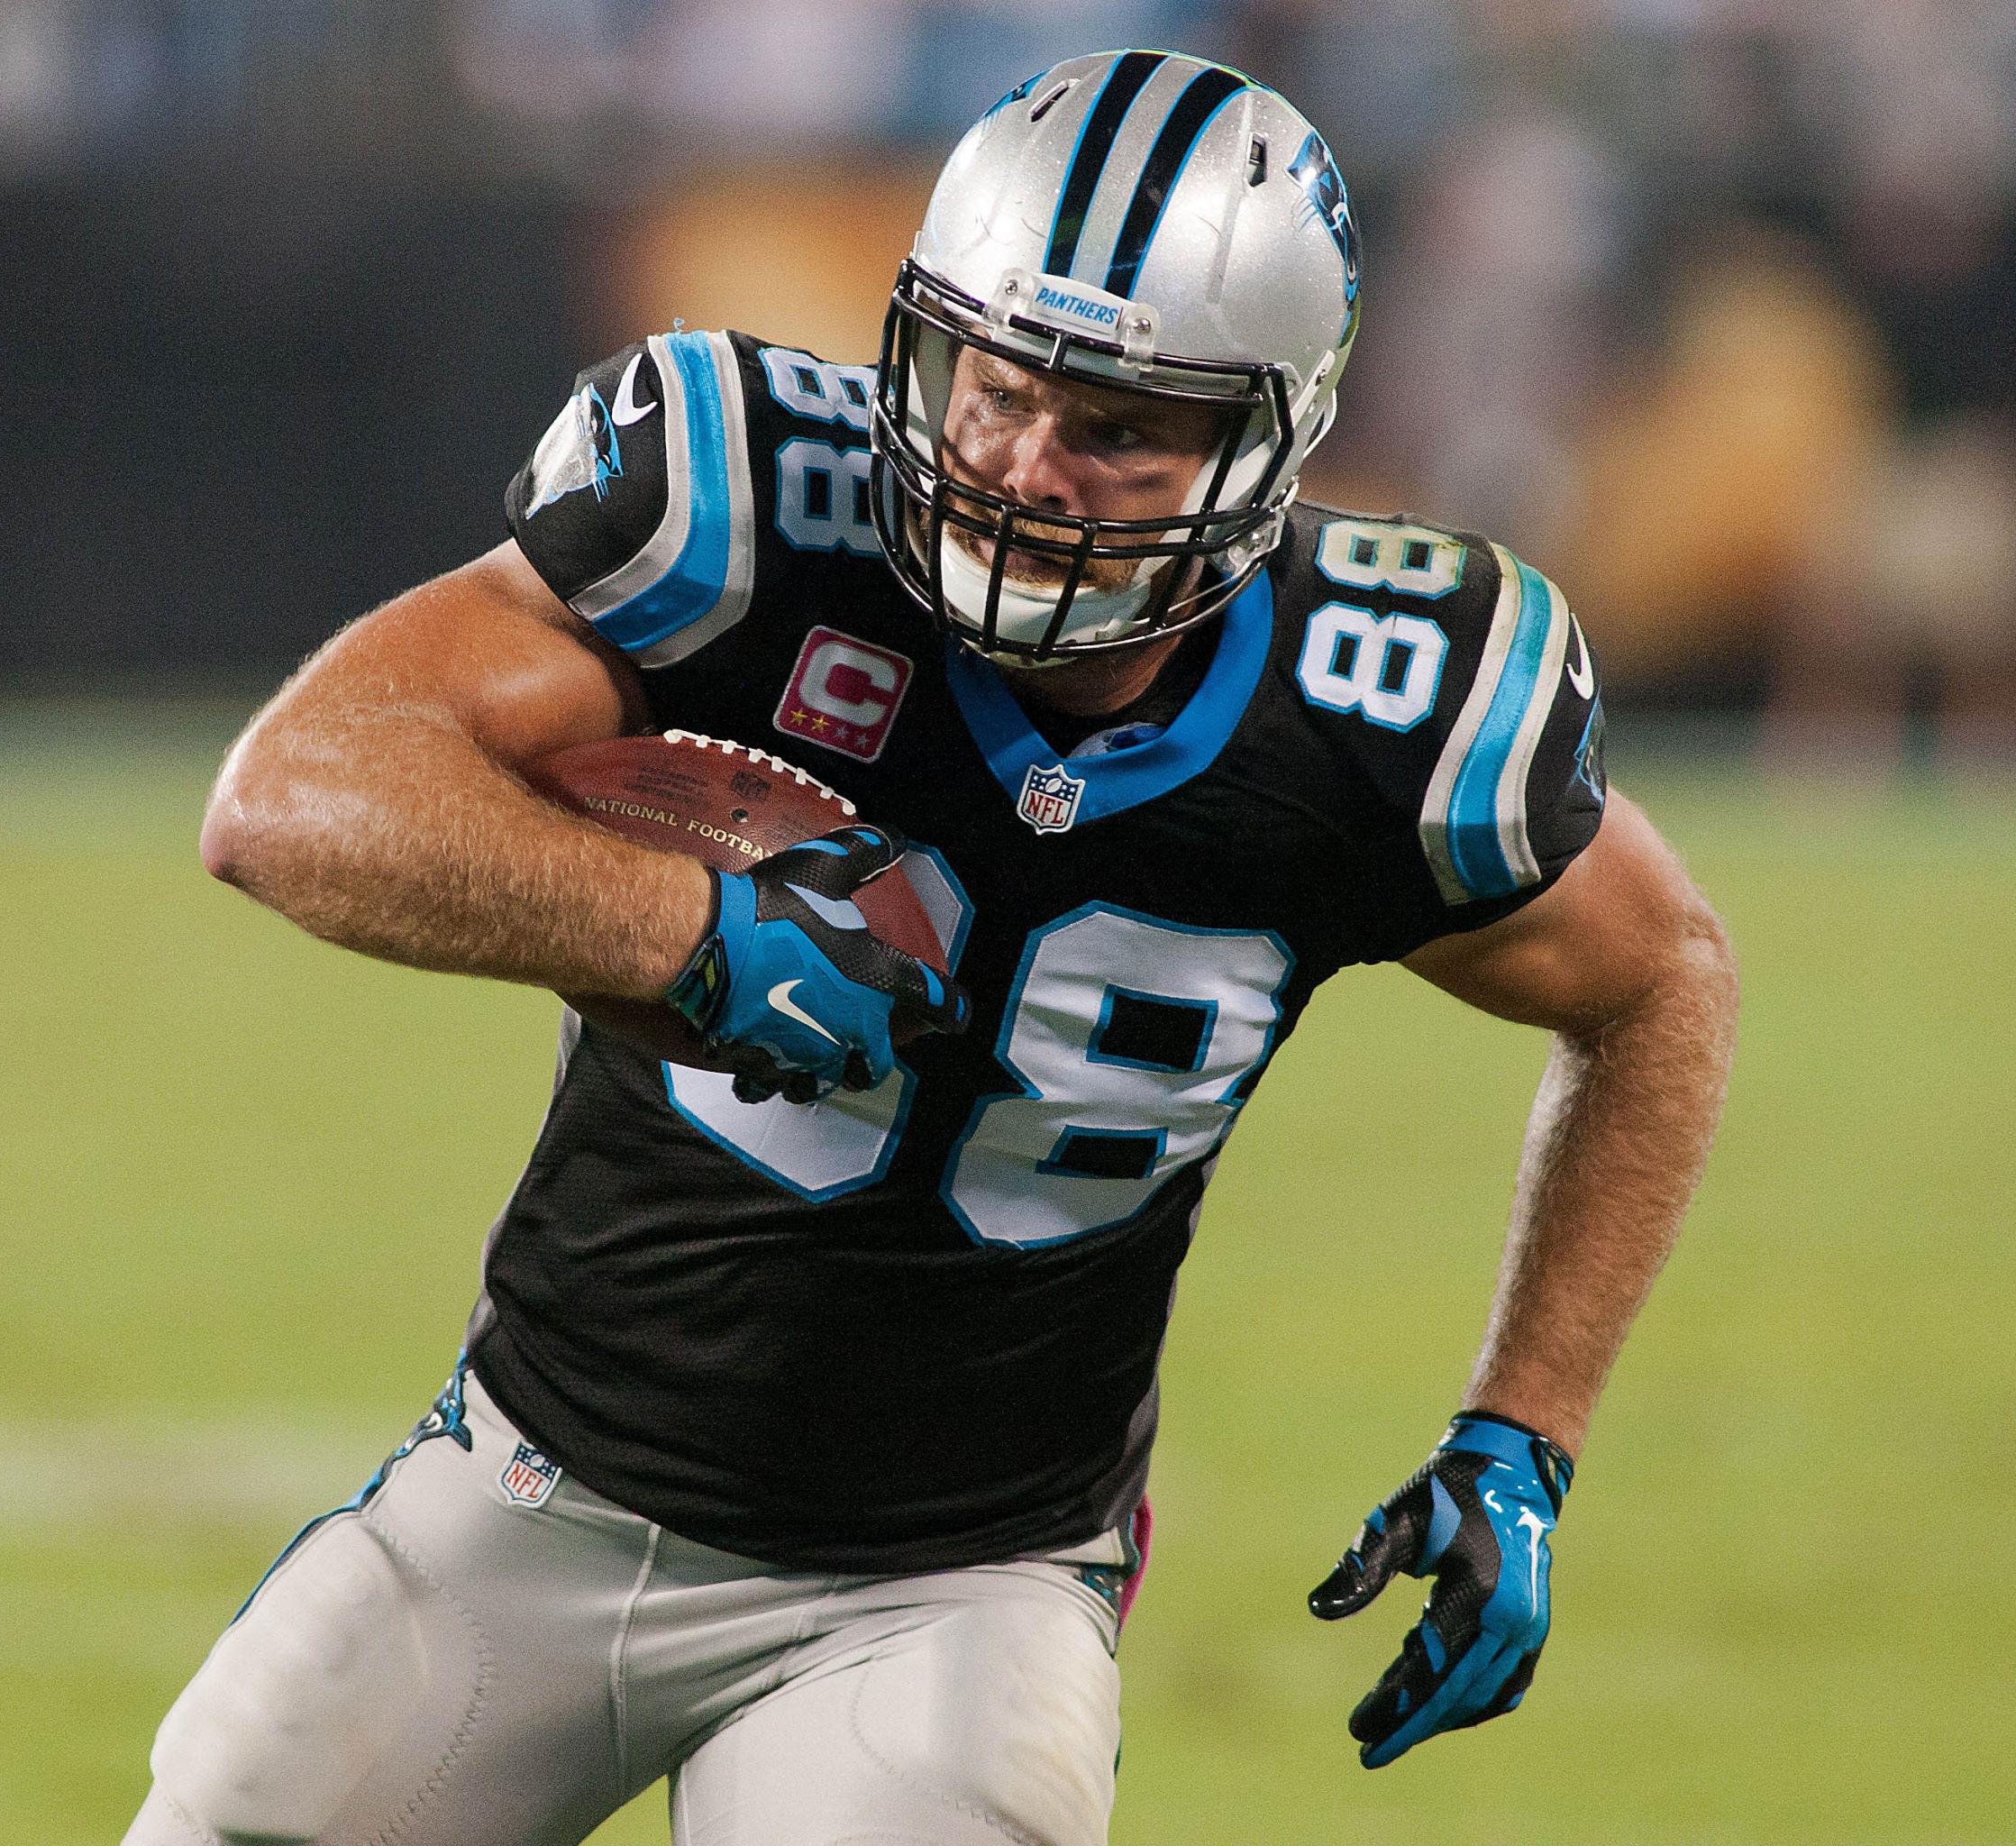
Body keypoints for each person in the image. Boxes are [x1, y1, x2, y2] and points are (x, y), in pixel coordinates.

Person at [138, 49, 1738, 1846]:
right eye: (996, 387)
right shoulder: (758, 522)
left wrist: (1524, 1432)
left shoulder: (1387, 706)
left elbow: (1659, 977)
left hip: (954, 1587)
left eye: (1120, 426)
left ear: (1271, 438)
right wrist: (689, 932)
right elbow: (294, 792)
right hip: (531, 1494)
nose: (1025, 468)